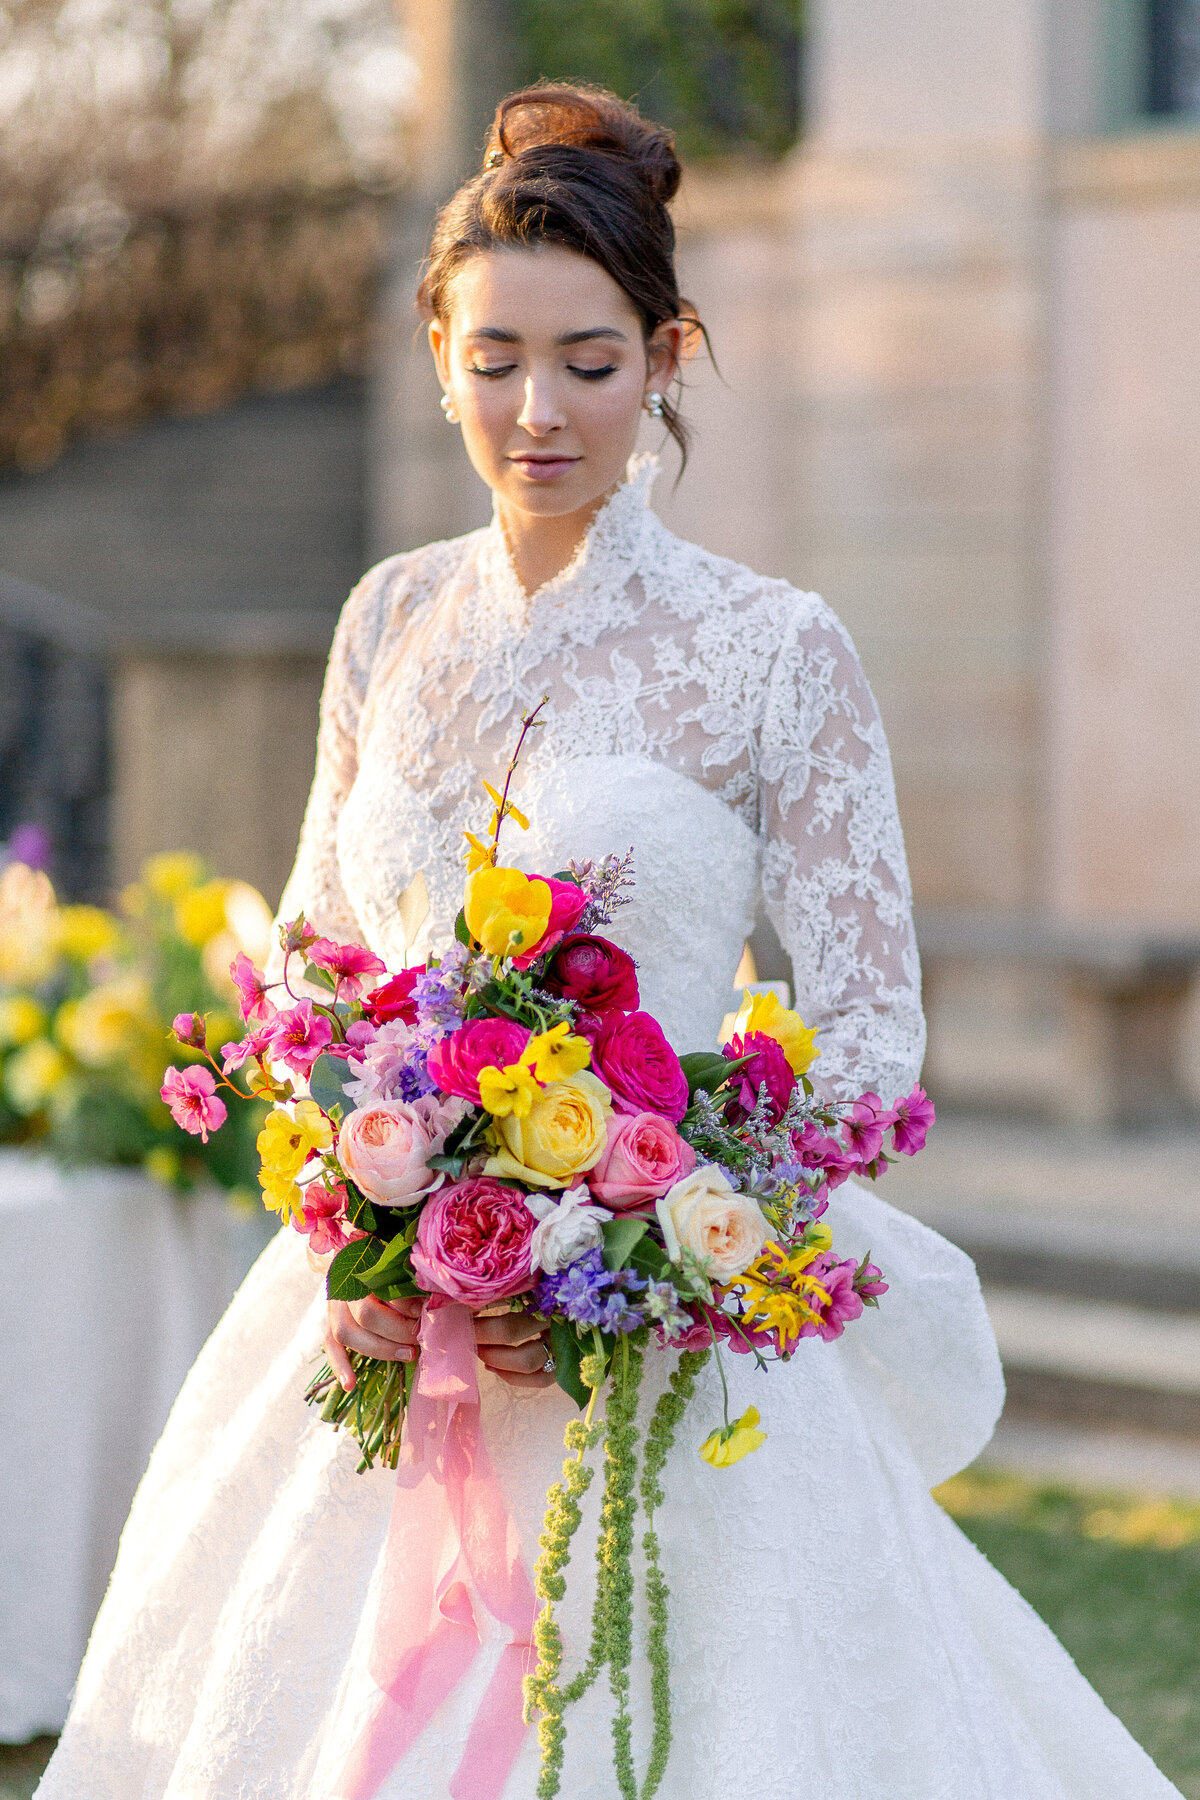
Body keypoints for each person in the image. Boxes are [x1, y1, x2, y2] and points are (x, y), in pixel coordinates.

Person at [36, 84, 1181, 1800]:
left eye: (589, 358)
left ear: (666, 355)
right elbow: (313, 971)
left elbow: (865, 1041)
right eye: (494, 357)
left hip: (661, 1328)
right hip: (374, 1330)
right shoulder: (388, 620)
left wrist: (629, 1229)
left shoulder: (775, 651)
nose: (538, 407)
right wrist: (370, 1208)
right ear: (438, 355)